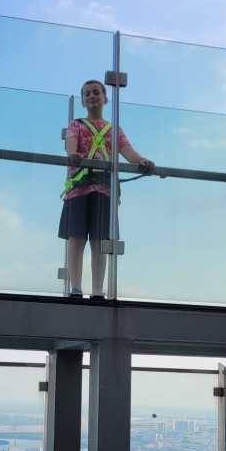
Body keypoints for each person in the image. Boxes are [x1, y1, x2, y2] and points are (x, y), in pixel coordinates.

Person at [59, 79, 155, 299]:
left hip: (103, 189)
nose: (91, 96)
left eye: (95, 92)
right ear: (83, 101)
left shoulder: (114, 130)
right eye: (87, 94)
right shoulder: (76, 125)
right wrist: (73, 155)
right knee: (76, 238)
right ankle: (75, 288)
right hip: (79, 188)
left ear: (105, 98)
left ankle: (97, 291)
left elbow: (128, 151)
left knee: (99, 241)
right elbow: (70, 145)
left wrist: (141, 161)